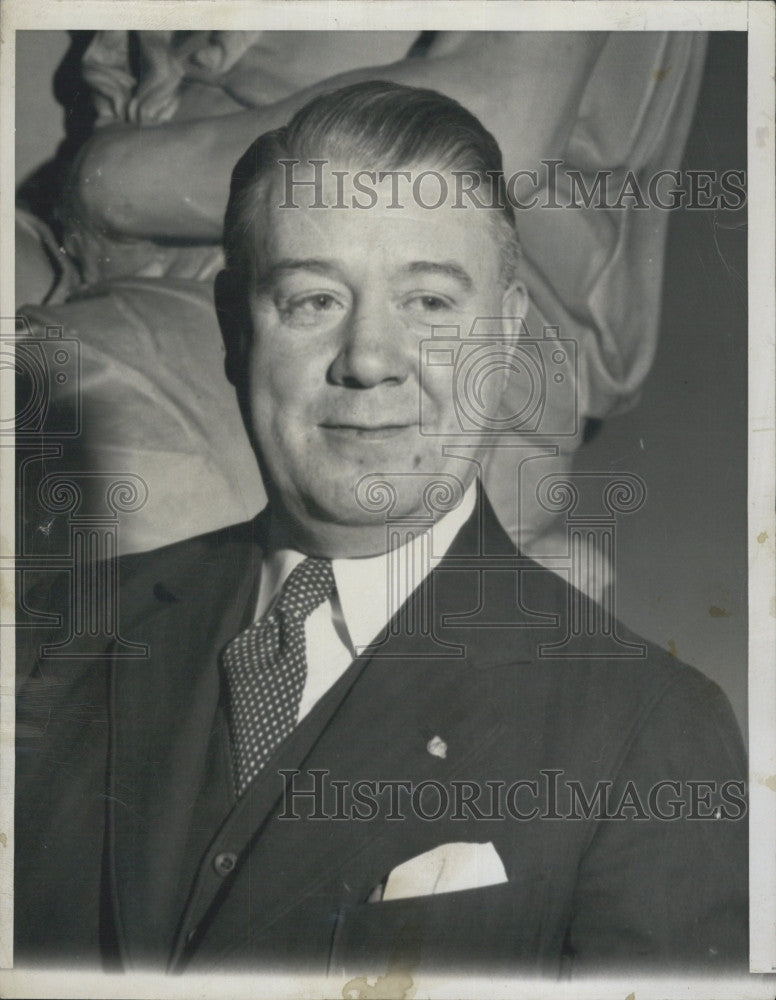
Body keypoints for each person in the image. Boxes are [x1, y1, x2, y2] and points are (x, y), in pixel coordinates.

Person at [15, 81, 747, 978]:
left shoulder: (648, 735)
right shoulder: (51, 646)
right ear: (234, 330)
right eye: (313, 300)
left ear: (505, 335)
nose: (368, 359)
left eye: (431, 304)